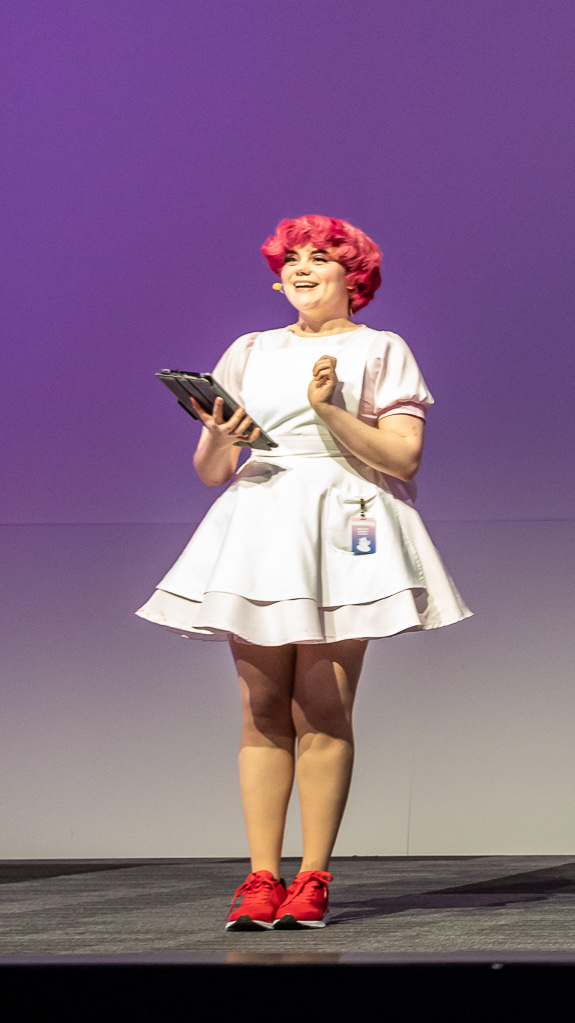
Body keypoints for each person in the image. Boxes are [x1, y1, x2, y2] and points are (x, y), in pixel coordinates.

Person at [139, 216, 469, 931]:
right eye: (292, 258)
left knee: (321, 706)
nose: (302, 267)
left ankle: (313, 875)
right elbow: (213, 470)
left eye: (321, 256)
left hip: (344, 519)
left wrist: (328, 411)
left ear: (354, 276)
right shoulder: (249, 349)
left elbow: (402, 456)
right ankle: (262, 876)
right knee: (261, 706)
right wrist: (219, 437)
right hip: (260, 515)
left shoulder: (381, 348)